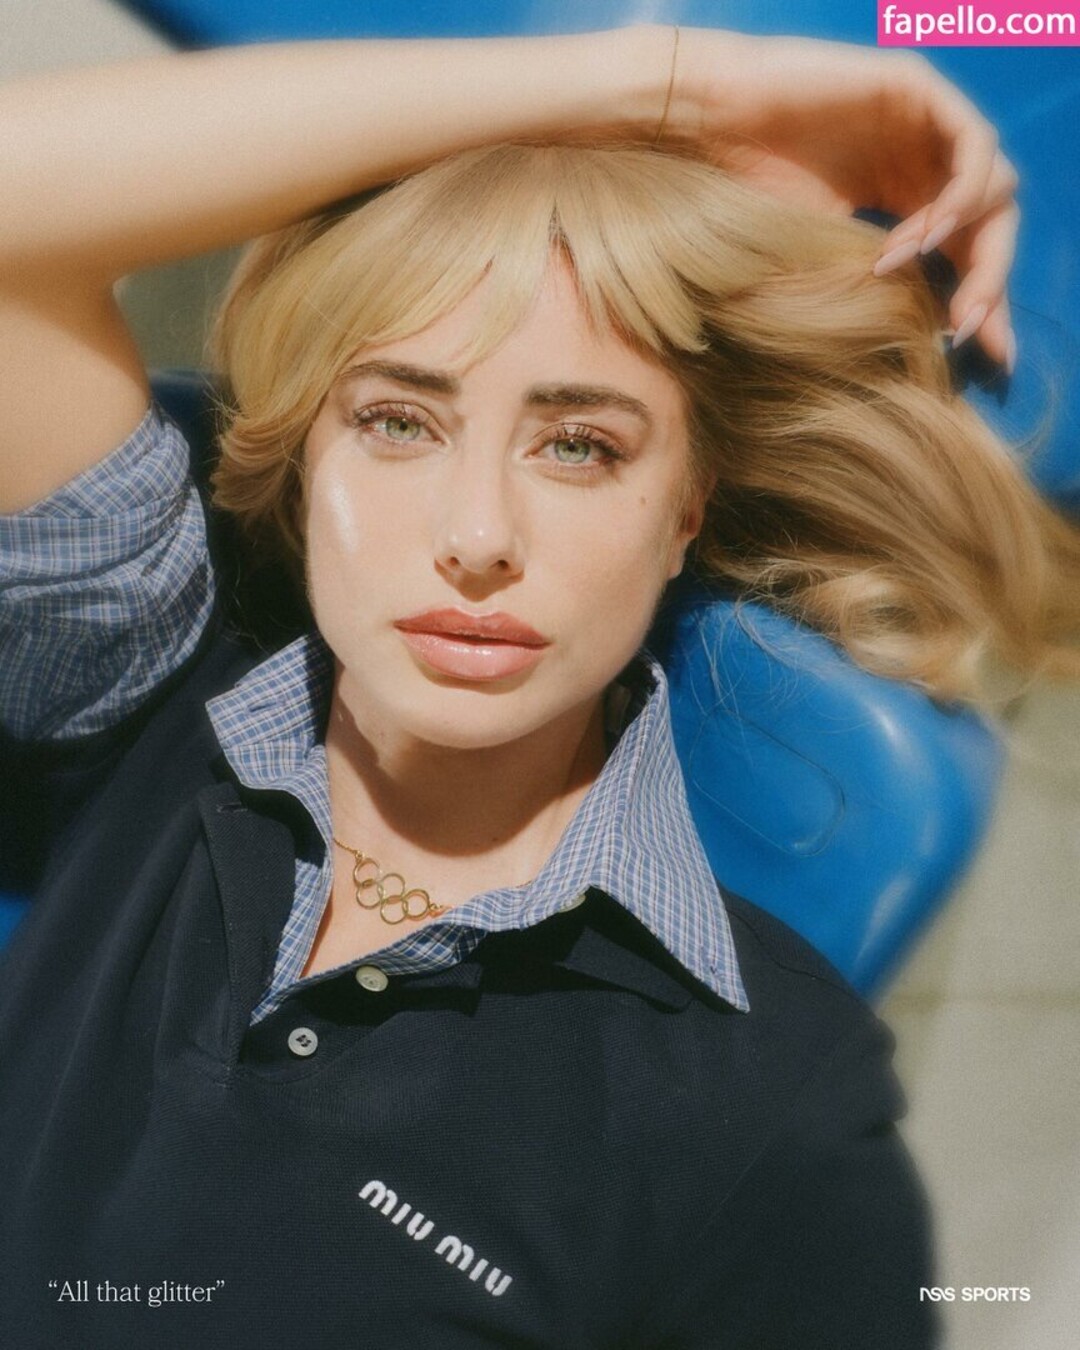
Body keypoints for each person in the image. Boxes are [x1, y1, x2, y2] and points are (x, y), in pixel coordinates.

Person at [1, 24, 1077, 1350]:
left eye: (578, 445)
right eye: (398, 422)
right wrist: (674, 85)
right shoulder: (143, 678)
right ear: (303, 455)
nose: (477, 534)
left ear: (686, 506)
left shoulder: (773, 1108)